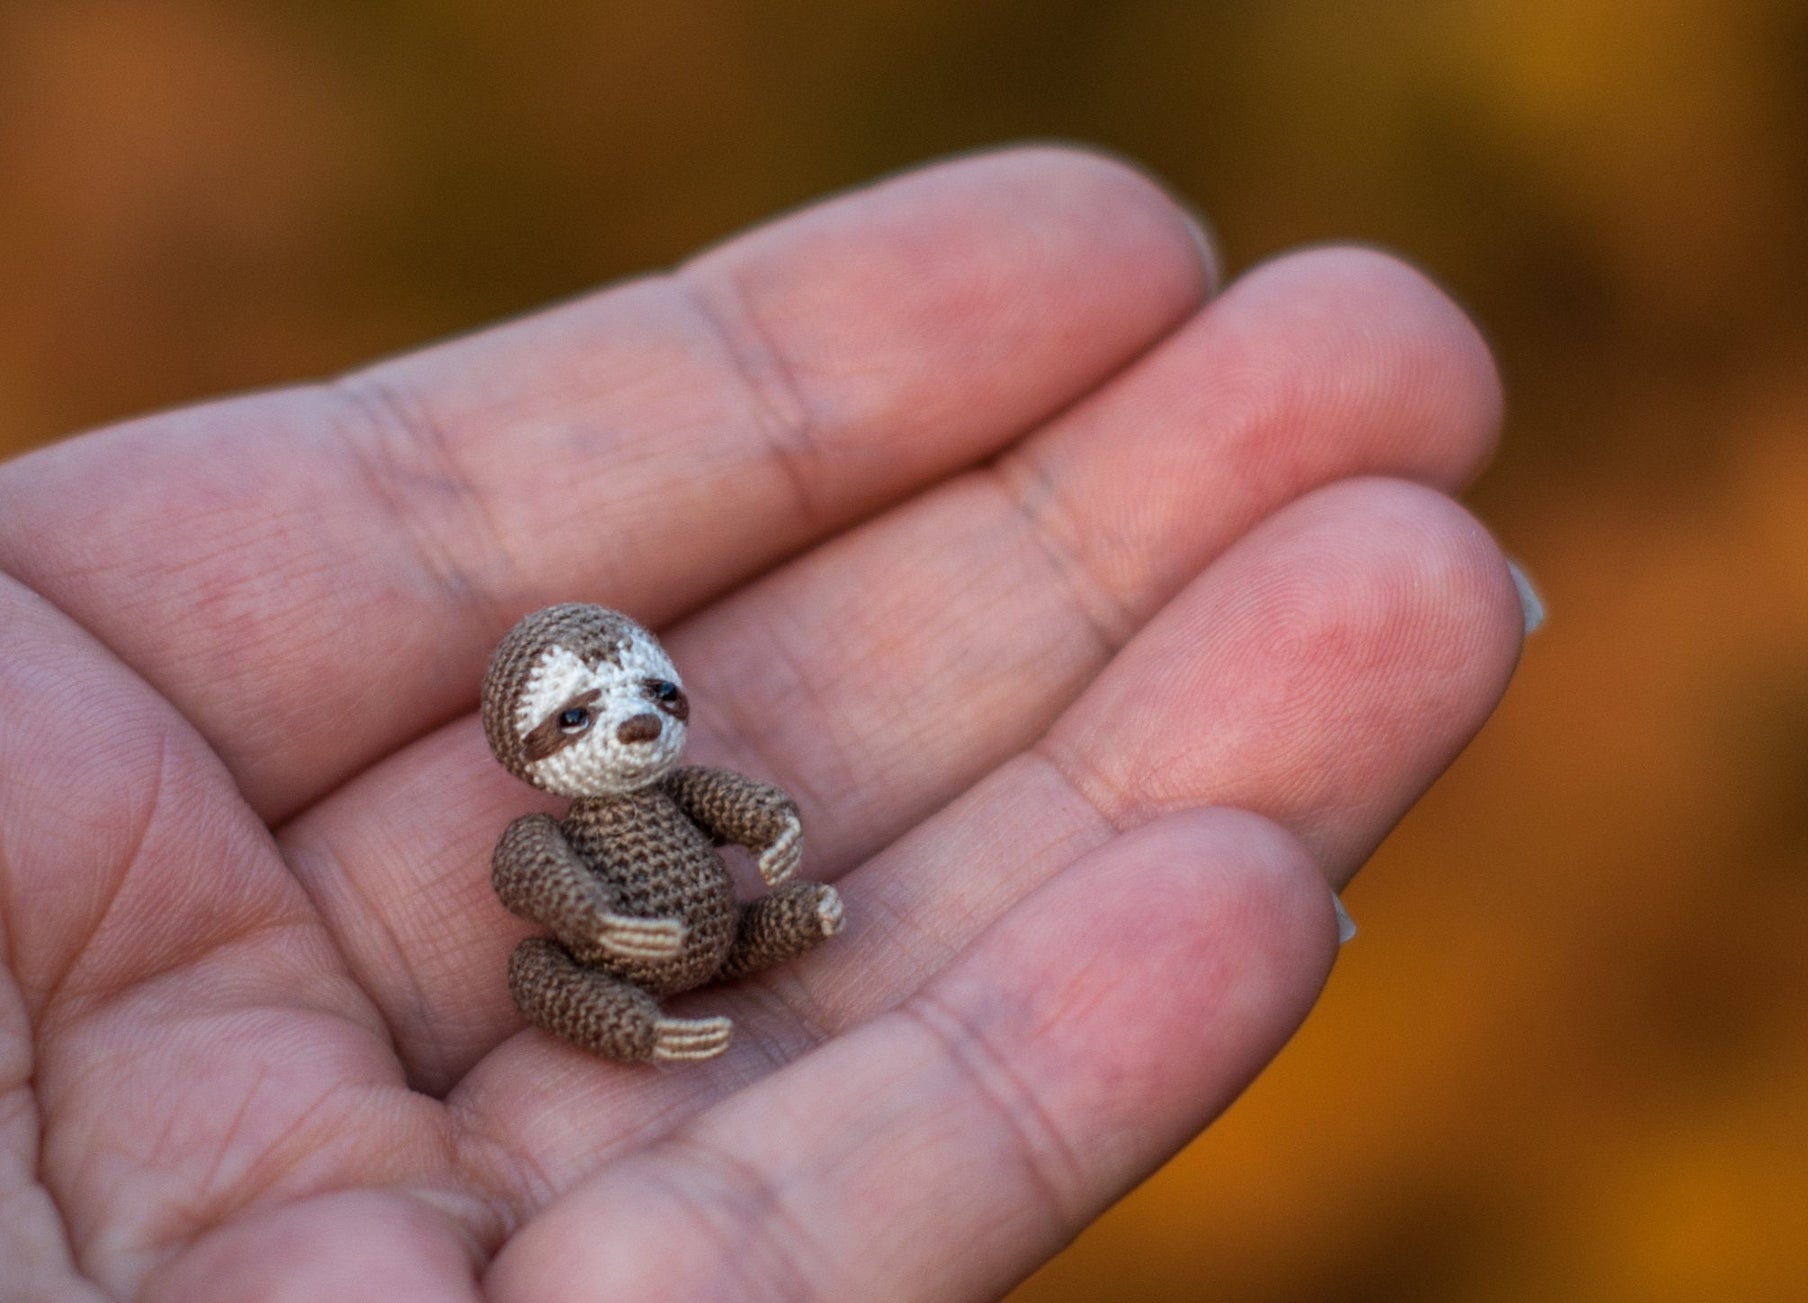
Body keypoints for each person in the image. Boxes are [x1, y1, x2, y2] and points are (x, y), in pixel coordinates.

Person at [0, 146, 1527, 1301]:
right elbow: (537, 889)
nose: (635, 717)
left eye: (647, 689)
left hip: (727, 923)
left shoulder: (687, 780)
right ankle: (661, 1016)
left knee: (811, 909)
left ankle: (750, 956)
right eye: (589, 705)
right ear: (530, 746)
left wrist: (771, 829)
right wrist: (620, 934)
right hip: (623, 963)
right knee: (552, 971)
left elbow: (727, 802)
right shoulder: (552, 831)